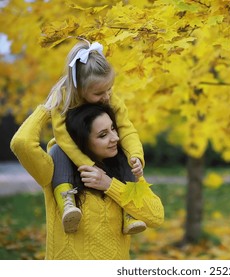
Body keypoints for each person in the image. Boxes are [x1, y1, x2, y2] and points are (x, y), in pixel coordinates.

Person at [10, 102, 164, 259]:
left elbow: (156, 216)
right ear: (81, 141)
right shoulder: (53, 170)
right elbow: (21, 143)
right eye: (103, 135)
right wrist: (47, 108)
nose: (115, 138)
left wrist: (109, 185)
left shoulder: (125, 169)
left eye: (113, 128)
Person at [45, 38, 146, 234]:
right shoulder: (63, 100)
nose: (106, 96)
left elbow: (126, 127)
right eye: (99, 93)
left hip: (102, 150)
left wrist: (136, 154)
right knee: (57, 148)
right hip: (72, 153)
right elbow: (64, 139)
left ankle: (130, 211)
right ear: (79, 89)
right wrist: (88, 164)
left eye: (109, 89)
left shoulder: (110, 97)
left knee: (124, 151)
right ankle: (68, 204)